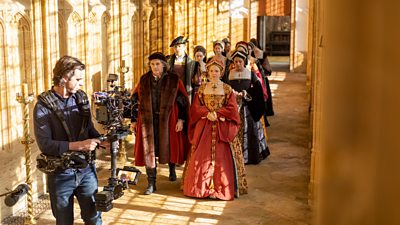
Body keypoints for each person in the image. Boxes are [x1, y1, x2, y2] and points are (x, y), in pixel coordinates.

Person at [33, 55, 103, 225]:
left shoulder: (81, 98)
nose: (81, 84)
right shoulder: (42, 106)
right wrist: (80, 146)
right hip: (61, 174)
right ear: (64, 78)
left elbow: (90, 130)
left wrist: (102, 139)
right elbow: (46, 145)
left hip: (86, 171)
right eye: (78, 79)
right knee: (64, 221)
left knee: (94, 219)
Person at [183, 59, 247, 200]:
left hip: (222, 126)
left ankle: (221, 187)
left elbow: (232, 108)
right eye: (211, 71)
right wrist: (206, 113)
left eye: (216, 71)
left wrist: (217, 114)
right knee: (199, 155)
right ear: (208, 72)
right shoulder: (201, 88)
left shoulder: (227, 89)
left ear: (221, 72)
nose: (213, 73)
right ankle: (200, 188)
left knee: (222, 157)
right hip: (204, 124)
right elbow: (195, 107)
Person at [131, 52, 190, 195]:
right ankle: (152, 183)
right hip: (148, 121)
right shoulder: (144, 79)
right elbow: (134, 99)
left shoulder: (174, 80)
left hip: (169, 120)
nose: (154, 67)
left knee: (168, 146)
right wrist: (133, 120)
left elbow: (183, 101)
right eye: (152, 64)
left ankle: (171, 169)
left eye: (157, 64)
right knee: (149, 150)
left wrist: (181, 120)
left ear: (164, 65)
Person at [227, 50, 269, 164]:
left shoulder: (250, 74)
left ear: (244, 61)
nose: (238, 64)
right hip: (234, 106)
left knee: (251, 129)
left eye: (240, 61)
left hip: (248, 107)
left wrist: (246, 94)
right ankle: (234, 156)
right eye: (236, 62)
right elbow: (226, 89)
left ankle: (250, 156)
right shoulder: (229, 74)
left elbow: (258, 91)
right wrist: (232, 94)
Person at [168, 36, 195, 101]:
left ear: (184, 47)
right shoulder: (168, 61)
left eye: (179, 46)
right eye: (175, 47)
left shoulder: (191, 63)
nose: (177, 49)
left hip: (185, 91)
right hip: (172, 91)